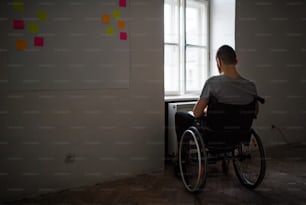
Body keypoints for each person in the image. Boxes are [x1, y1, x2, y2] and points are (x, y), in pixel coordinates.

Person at [175, 45, 258, 144]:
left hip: (215, 134)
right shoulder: (251, 86)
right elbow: (255, 112)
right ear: (236, 61)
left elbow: (197, 113)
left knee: (180, 116)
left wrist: (208, 111)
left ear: (219, 61)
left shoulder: (212, 83)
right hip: (240, 134)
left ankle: (183, 157)